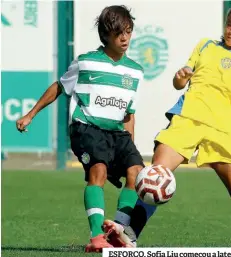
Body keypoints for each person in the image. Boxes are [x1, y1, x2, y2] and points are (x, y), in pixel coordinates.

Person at [106, 3, 231, 247]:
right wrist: (180, 78)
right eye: (229, 24)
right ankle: (129, 235)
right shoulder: (206, 45)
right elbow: (179, 83)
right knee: (156, 175)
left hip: (220, 131)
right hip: (186, 121)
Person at [16, 5, 144, 252]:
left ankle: (116, 230)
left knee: (136, 174)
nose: (125, 38)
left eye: (128, 31)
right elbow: (59, 87)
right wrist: (30, 115)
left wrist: (128, 148)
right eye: (119, 33)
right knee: (98, 171)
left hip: (117, 133)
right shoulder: (86, 63)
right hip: (86, 128)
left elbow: (129, 113)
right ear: (106, 35)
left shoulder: (135, 71)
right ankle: (97, 237)